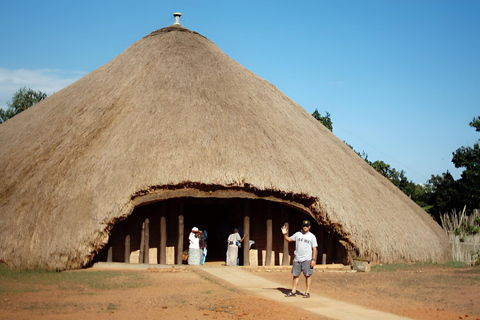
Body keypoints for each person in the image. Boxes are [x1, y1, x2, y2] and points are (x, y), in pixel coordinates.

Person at [281, 219, 318, 298]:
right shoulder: (298, 234)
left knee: (307, 275)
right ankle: (293, 291)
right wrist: (284, 234)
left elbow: (314, 248)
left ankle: (307, 292)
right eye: (304, 226)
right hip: (297, 258)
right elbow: (289, 239)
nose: (305, 227)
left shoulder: (312, 236)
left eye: (307, 226)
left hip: (307, 259)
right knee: (295, 275)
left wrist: (313, 259)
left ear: (309, 227)